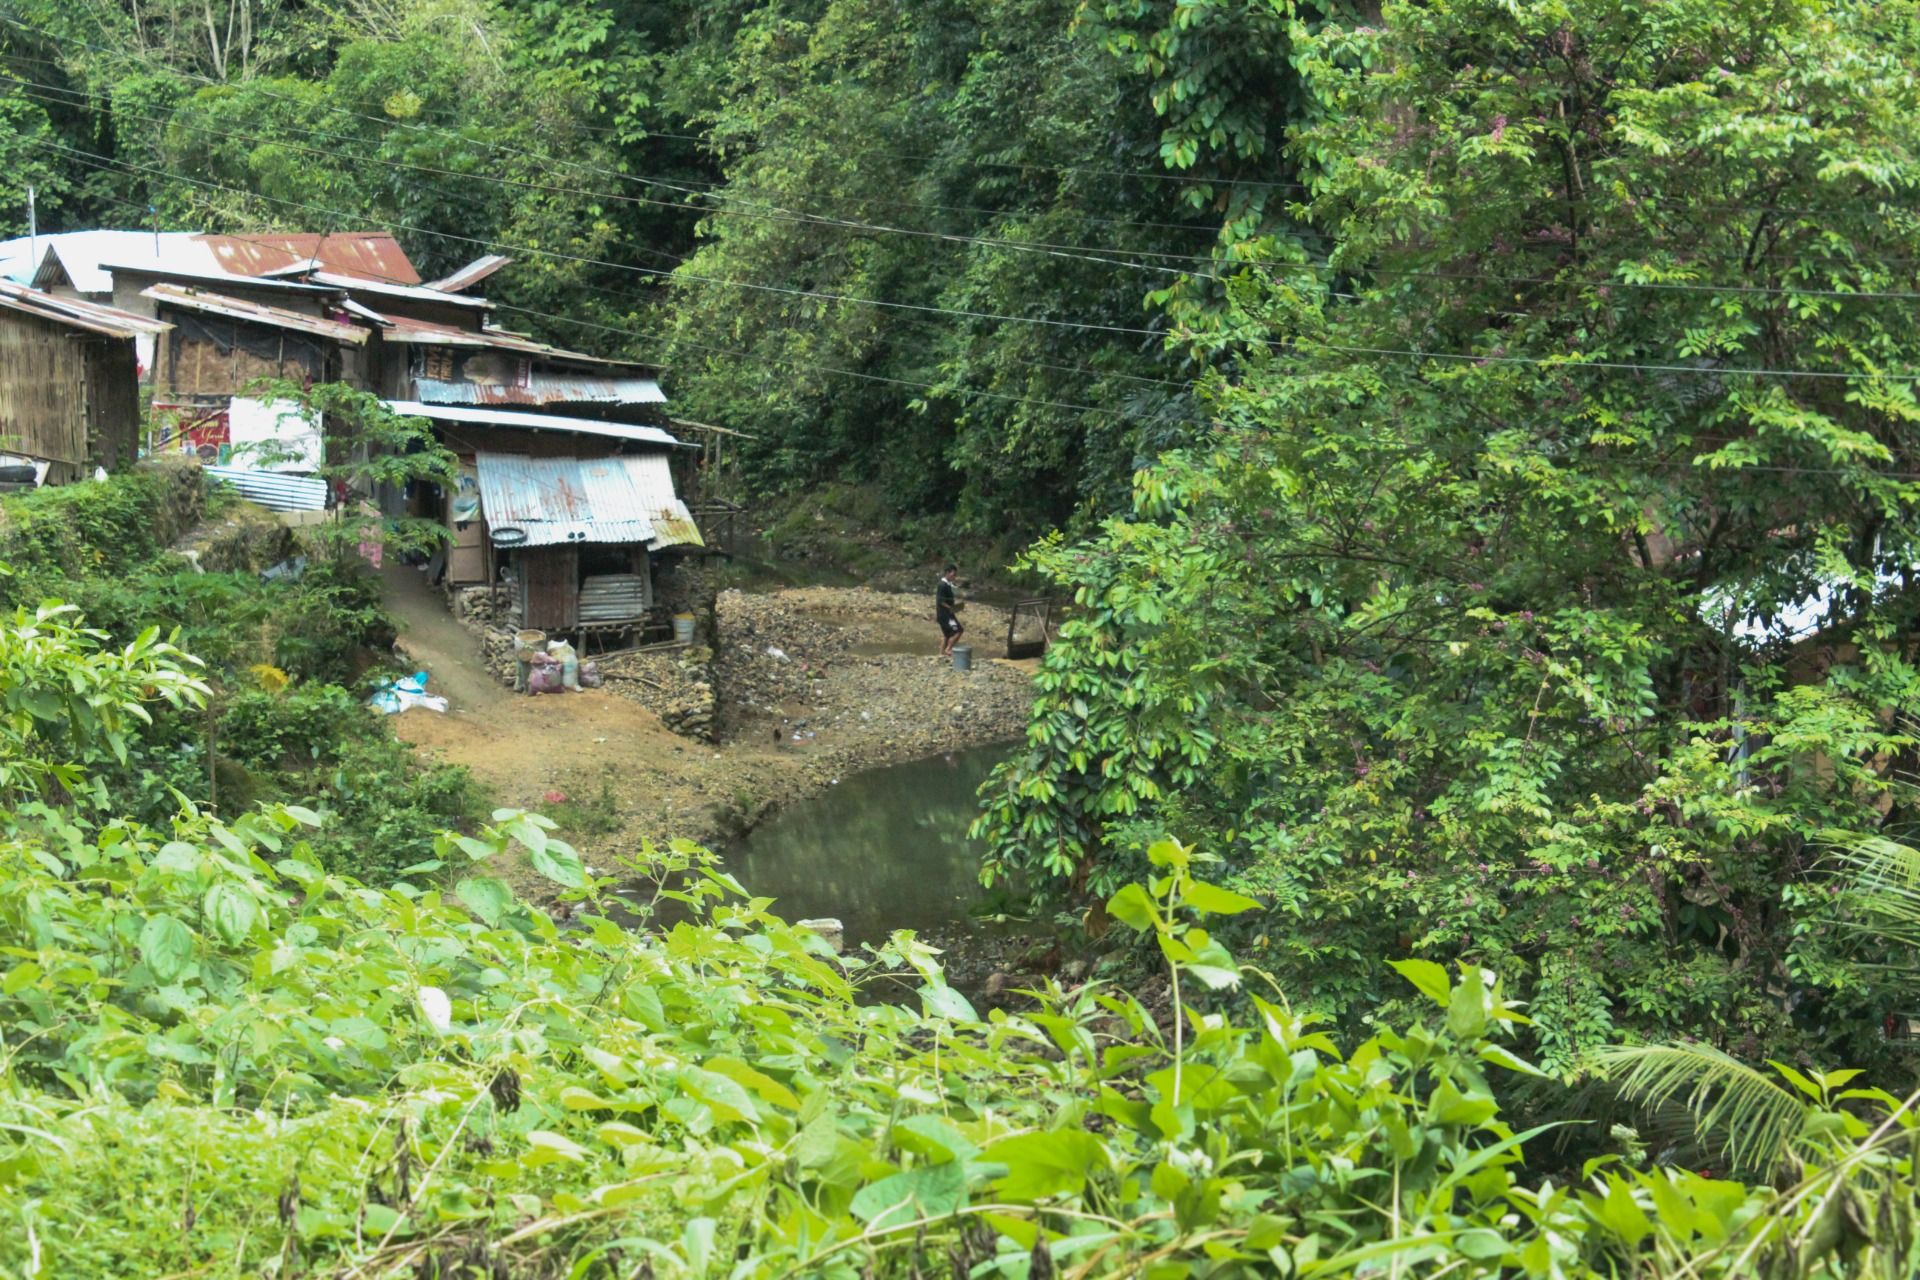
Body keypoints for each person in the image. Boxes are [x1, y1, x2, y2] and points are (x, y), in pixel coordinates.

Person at [936, 563, 964, 658]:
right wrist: (951, 608)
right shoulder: (942, 585)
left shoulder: (947, 585)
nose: (954, 577)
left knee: (946, 635)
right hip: (946, 615)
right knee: (958, 630)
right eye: (953, 574)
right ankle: (948, 649)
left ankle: (941, 654)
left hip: (945, 614)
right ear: (947, 573)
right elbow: (940, 601)